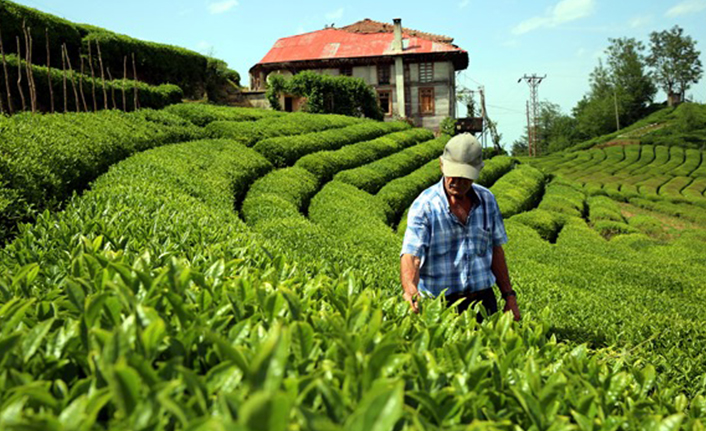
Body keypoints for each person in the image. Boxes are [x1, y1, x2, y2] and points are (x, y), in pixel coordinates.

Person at [400, 133, 520, 321]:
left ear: (478, 171)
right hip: (440, 306)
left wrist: (509, 296)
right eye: (453, 174)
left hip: (483, 303)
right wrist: (410, 291)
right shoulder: (425, 206)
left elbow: (496, 250)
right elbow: (411, 255)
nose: (458, 182)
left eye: (465, 177)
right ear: (441, 165)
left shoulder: (487, 200)